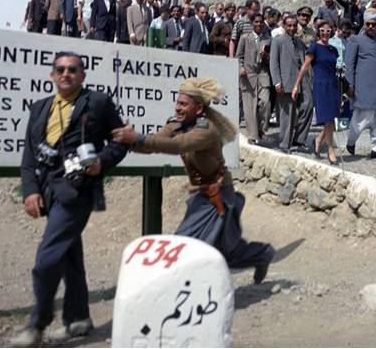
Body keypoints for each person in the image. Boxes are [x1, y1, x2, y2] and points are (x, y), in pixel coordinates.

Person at [10, 52, 127, 347]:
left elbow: (121, 139)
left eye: (73, 70)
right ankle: (78, 319)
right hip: (48, 190)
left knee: (46, 259)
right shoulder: (39, 109)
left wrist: (102, 160)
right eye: (60, 69)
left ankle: (37, 324)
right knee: (69, 256)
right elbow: (28, 157)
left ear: (82, 75)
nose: (66, 74)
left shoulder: (98, 103)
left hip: (77, 190)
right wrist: (31, 191)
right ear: (52, 75)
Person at [111, 78, 274, 282]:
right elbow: (157, 141)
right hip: (202, 195)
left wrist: (137, 138)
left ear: (198, 109)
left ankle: (186, 292)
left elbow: (178, 145)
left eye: (183, 104)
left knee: (186, 246)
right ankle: (261, 254)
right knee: (223, 253)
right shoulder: (177, 124)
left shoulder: (206, 130)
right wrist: (127, 141)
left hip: (218, 196)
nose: (178, 107)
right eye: (177, 102)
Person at [344, 12, 376, 160]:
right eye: (368, 24)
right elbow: (349, 64)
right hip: (363, 86)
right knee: (361, 119)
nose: (371, 27)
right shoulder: (355, 40)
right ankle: (351, 141)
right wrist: (350, 85)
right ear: (364, 25)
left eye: (374, 24)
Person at [293, 20, 340, 164]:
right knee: (327, 118)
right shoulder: (314, 47)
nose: (325, 33)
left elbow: (334, 67)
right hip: (320, 85)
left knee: (331, 119)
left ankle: (318, 140)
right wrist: (296, 85)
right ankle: (331, 149)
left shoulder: (333, 50)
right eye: (322, 31)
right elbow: (305, 67)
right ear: (318, 32)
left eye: (328, 30)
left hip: (333, 84)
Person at [270, 14, 313, 153]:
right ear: (284, 26)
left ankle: (299, 139)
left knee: (308, 106)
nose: (292, 28)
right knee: (286, 114)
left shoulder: (299, 43)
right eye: (289, 25)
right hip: (286, 81)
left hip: (302, 81)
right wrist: (277, 82)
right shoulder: (278, 41)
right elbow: (274, 63)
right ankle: (284, 143)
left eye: (294, 25)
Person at [236, 13, 271, 144]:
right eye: (256, 22)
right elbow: (238, 57)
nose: (258, 24)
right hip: (248, 76)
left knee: (265, 103)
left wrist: (265, 56)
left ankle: (262, 130)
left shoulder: (267, 39)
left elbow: (271, 59)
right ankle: (252, 135)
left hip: (262, 74)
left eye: (261, 22)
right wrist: (241, 69)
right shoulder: (245, 38)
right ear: (252, 24)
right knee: (250, 108)